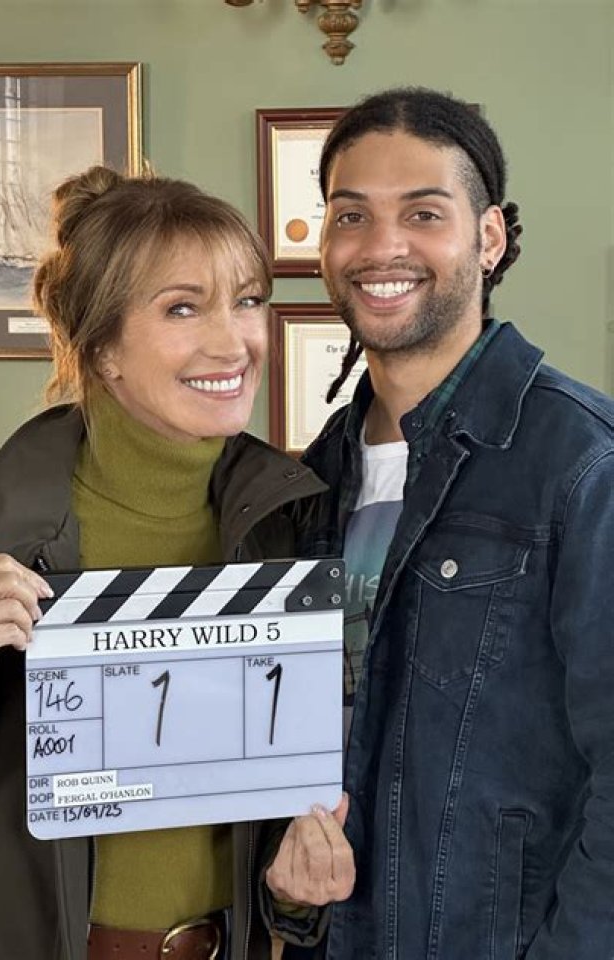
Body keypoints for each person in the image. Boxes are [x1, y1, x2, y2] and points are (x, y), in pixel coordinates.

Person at [0, 166, 327, 960]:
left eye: (247, 300)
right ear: (102, 350)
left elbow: (276, 807)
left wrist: (297, 888)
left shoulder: (287, 530)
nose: (234, 342)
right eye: (183, 308)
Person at [261, 87, 614, 959]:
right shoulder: (311, 478)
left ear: (488, 238)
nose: (382, 246)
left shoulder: (584, 464)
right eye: (351, 215)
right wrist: (292, 904)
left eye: (423, 213)